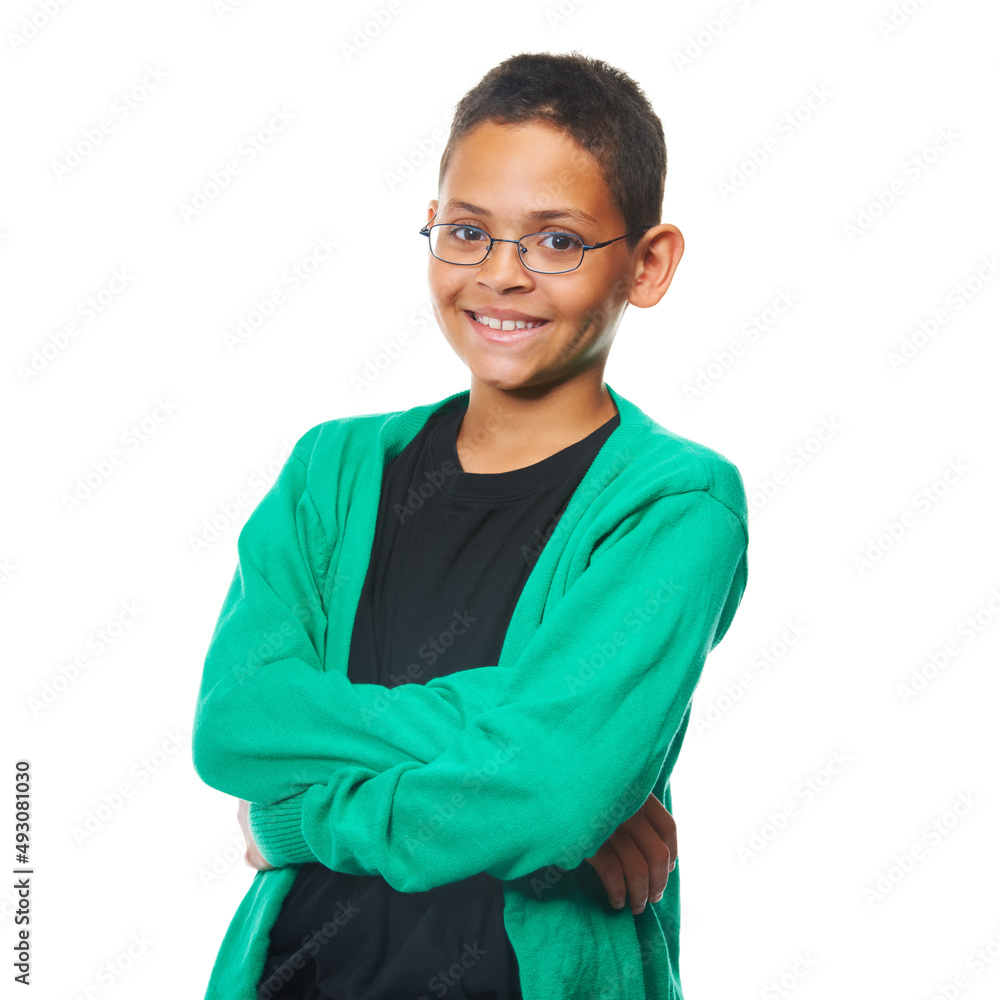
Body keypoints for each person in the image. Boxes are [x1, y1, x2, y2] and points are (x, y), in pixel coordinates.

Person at [192, 51, 749, 1000]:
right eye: (467, 231)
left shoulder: (676, 505)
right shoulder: (331, 468)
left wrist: (292, 822)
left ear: (647, 265)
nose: (502, 276)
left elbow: (553, 792)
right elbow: (238, 725)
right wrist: (526, 761)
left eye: (558, 241)